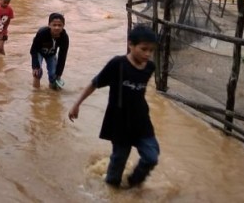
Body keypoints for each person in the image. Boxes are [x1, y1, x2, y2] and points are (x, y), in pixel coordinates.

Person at [68, 24, 159, 188]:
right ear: (131, 44)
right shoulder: (118, 64)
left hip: (141, 121)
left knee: (151, 156)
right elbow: (95, 83)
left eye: (151, 50)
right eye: (144, 49)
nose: (148, 54)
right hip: (120, 122)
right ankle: (112, 192)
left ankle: (133, 184)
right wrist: (77, 104)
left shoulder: (150, 68)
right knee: (118, 163)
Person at [30, 12, 69, 90]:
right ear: (49, 25)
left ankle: (52, 94)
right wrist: (35, 66)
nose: (57, 28)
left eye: (59, 25)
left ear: (63, 26)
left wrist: (59, 74)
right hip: (39, 52)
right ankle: (35, 94)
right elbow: (33, 50)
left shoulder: (64, 37)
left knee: (53, 76)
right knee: (38, 73)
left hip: (51, 54)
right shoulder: (42, 33)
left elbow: (62, 56)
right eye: (54, 25)